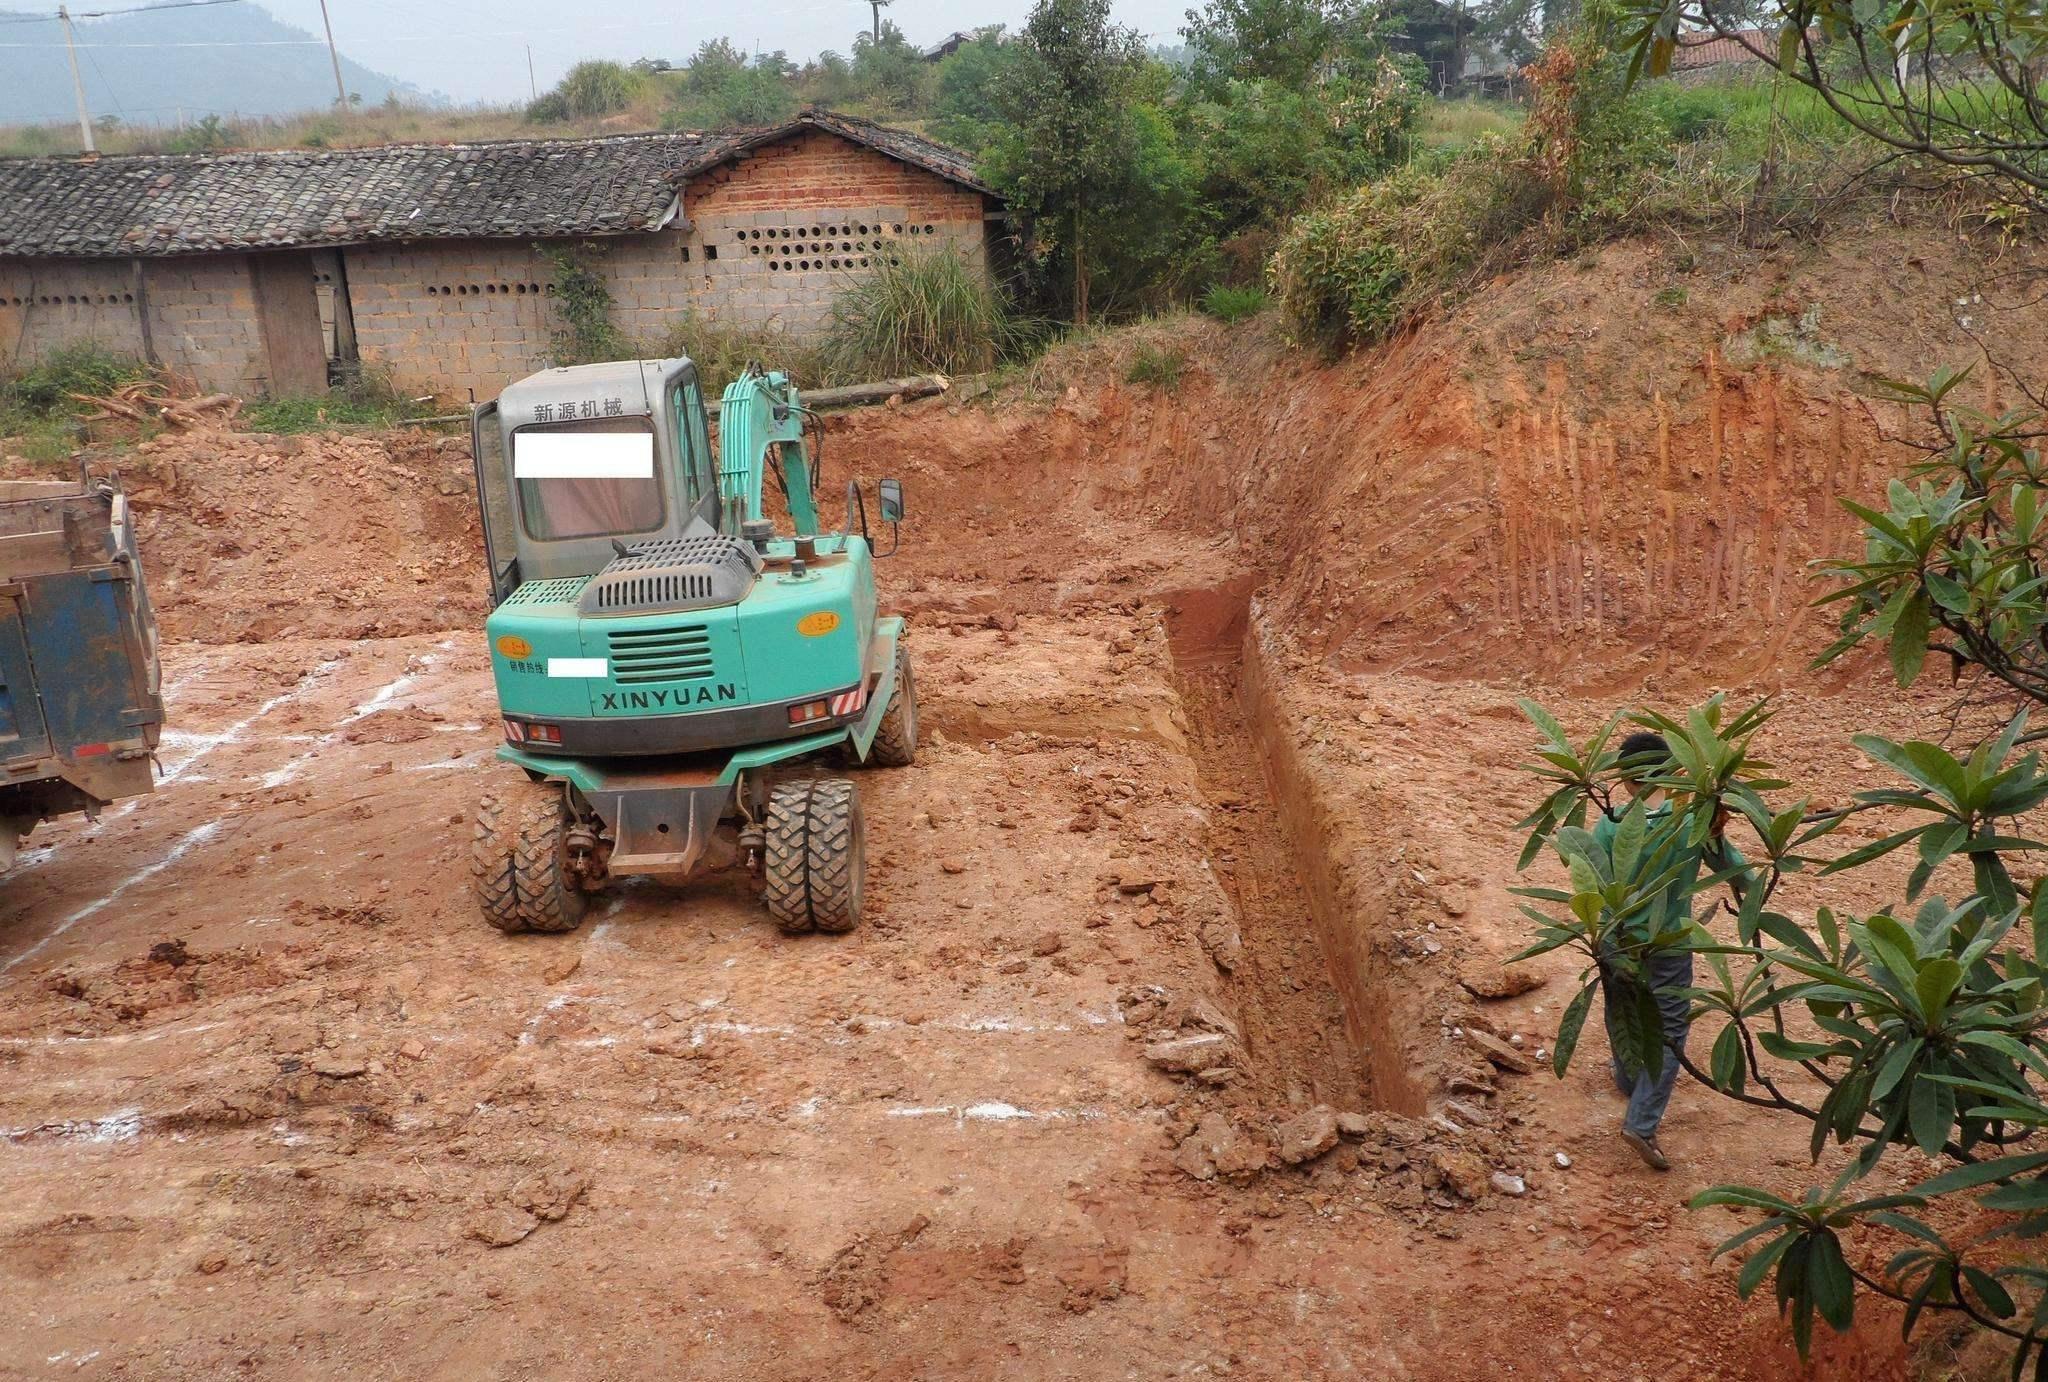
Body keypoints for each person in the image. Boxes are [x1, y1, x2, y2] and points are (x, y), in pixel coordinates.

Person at [1590, 730, 1747, 1171]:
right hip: (1669, 941)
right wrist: (1751, 900)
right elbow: (1735, 870)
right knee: (1670, 1029)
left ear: (1624, 778)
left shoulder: (1610, 823)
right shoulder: (1690, 820)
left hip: (1616, 940)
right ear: (1675, 771)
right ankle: (1641, 1123)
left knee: (1621, 1011)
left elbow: (1594, 881)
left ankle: (1627, 1078)